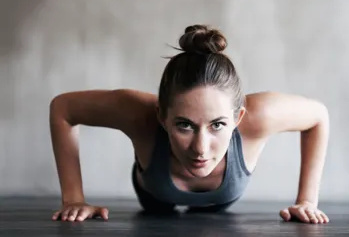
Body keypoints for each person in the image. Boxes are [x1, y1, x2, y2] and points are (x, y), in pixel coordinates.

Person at [49, 24, 330, 224]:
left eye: (218, 125)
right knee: (159, 208)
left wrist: (307, 201)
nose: (200, 148)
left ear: (238, 119)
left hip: (220, 204)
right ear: (162, 117)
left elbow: (318, 117)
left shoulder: (260, 117)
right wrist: (73, 199)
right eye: (184, 125)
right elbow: (63, 108)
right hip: (154, 197)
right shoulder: (138, 114)